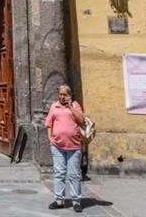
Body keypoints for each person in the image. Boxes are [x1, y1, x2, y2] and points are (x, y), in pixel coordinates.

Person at [45, 84, 86, 212]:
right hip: (57, 146)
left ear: (70, 95)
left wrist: (70, 107)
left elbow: (81, 121)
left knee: (74, 175)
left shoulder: (75, 105)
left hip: (74, 146)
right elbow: (49, 124)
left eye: (65, 94)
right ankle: (59, 200)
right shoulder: (54, 106)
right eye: (61, 94)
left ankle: (76, 201)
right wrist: (50, 139)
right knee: (59, 173)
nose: (62, 97)